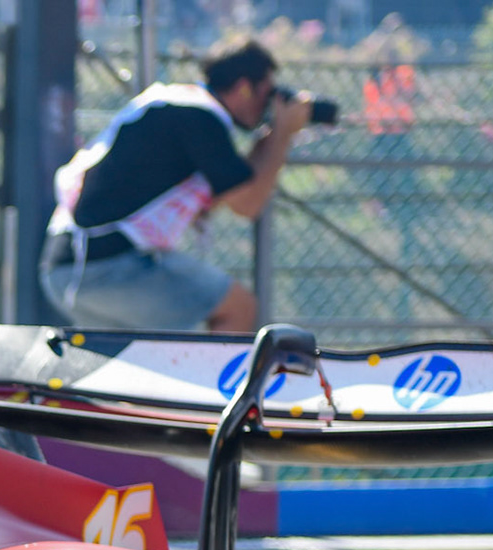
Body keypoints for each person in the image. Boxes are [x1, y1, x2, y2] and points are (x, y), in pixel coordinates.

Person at [40, 39, 313, 333]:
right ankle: (219, 382)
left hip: (68, 269)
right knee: (238, 308)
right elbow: (248, 203)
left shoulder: (179, 104)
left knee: (145, 359)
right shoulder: (202, 116)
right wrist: (282, 133)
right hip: (108, 268)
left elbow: (239, 185)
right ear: (244, 87)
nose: (270, 105)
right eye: (268, 93)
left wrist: (270, 135)